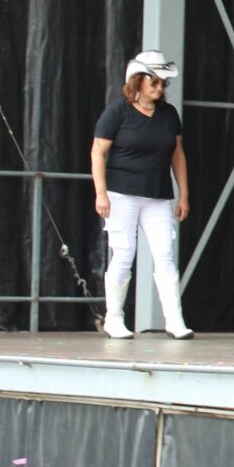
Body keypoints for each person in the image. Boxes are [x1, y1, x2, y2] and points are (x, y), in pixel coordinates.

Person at [91, 50, 193, 340]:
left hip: (157, 195)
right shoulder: (117, 111)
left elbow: (177, 154)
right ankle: (114, 318)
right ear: (137, 81)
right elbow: (98, 151)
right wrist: (101, 193)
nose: (160, 88)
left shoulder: (169, 114)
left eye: (163, 83)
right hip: (121, 194)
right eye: (155, 82)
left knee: (165, 254)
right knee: (123, 254)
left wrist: (183, 194)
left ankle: (174, 320)